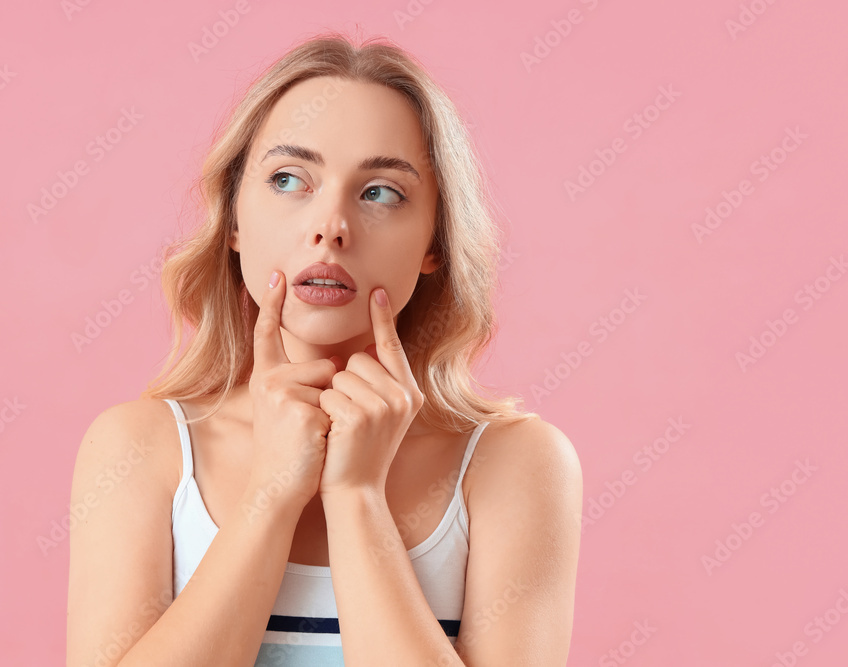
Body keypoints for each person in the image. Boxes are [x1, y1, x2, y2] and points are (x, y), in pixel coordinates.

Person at [67, 31, 583, 667]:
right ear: (233, 220)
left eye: (381, 192)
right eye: (289, 179)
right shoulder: (139, 449)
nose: (330, 225)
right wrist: (273, 492)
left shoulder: (517, 463)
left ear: (434, 242)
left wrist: (356, 496)